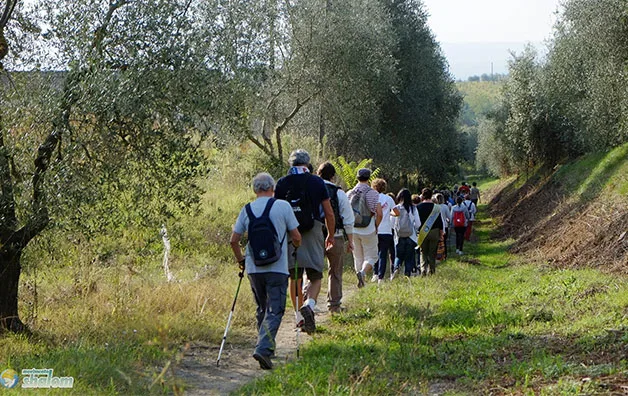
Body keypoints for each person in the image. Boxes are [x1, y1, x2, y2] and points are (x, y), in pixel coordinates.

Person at [230, 173, 302, 370]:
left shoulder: (247, 210)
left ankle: (266, 347)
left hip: (254, 268)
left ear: (255, 190)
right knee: (275, 309)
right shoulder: (282, 206)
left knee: (262, 307)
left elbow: (234, 240)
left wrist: (241, 260)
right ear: (273, 188)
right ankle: (263, 348)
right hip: (277, 267)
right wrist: (295, 245)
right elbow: (296, 236)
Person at [274, 150, 335, 334]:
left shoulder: (283, 183)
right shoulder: (316, 181)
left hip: (290, 232)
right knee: (315, 275)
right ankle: (309, 305)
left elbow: (276, 211)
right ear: (307, 164)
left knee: (295, 276)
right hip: (313, 229)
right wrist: (330, 235)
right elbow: (329, 212)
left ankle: (299, 317)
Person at [316, 161, 355, 313]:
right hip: (336, 235)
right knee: (335, 271)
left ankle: (309, 302)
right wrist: (350, 240)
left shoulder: (312, 190)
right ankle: (334, 305)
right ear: (333, 176)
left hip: (315, 236)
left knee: (312, 271)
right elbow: (348, 218)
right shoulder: (338, 193)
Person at [347, 168, 382, 288]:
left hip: (353, 229)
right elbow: (379, 213)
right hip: (368, 228)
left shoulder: (350, 193)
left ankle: (361, 279)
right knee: (372, 256)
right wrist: (376, 226)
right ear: (369, 178)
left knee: (358, 256)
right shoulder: (373, 193)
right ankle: (362, 273)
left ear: (357, 177)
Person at [372, 178, 399, 284]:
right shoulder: (388, 199)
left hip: (374, 229)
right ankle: (381, 277)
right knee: (382, 254)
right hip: (386, 230)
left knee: (374, 253)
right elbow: (397, 213)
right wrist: (389, 213)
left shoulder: (372, 198)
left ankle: (374, 273)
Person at [391, 188, 421, 277]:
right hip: (411, 236)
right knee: (409, 257)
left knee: (398, 256)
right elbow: (418, 223)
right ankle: (407, 275)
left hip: (399, 236)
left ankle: (396, 269)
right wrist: (414, 229)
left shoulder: (396, 208)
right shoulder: (413, 208)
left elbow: (392, 223)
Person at [416, 188, 444, 276]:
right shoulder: (436, 207)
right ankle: (431, 270)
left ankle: (423, 269)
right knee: (432, 252)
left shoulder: (418, 207)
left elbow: (416, 221)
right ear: (431, 195)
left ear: (422, 195)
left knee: (423, 252)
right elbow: (440, 221)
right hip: (434, 231)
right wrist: (441, 233)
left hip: (423, 232)